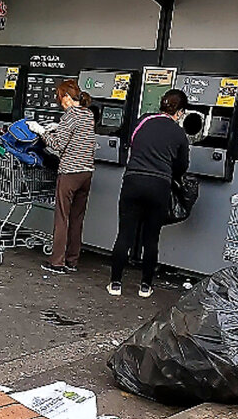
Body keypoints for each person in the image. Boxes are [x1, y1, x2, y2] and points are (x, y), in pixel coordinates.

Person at [108, 89, 191, 298]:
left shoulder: (143, 121)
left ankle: (115, 283)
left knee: (125, 234)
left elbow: (131, 145)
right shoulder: (179, 132)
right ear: (180, 112)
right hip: (159, 185)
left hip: (133, 181)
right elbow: (182, 166)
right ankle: (145, 286)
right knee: (151, 238)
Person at [29, 80, 96, 274]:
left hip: (69, 173)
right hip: (86, 173)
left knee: (62, 217)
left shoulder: (70, 115)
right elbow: (76, 135)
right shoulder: (88, 114)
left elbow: (56, 145)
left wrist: (40, 130)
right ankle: (72, 261)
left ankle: (56, 261)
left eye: (61, 98)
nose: (60, 103)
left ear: (67, 97)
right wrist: (58, 126)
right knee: (77, 218)